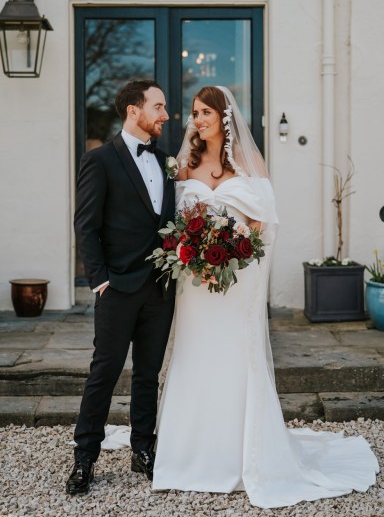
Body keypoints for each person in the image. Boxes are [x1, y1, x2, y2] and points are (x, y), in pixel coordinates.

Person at [151, 86, 378, 509]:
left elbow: (263, 225)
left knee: (236, 357)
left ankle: (241, 456)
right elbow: (174, 223)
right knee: (194, 354)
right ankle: (187, 457)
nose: (197, 120)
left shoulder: (250, 164)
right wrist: (191, 253)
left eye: (205, 112)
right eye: (195, 113)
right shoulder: (184, 166)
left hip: (237, 284)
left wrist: (235, 253)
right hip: (194, 287)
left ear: (224, 117)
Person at [66, 80, 176, 495]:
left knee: (148, 374)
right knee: (104, 373)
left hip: (160, 288)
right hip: (117, 288)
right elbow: (87, 225)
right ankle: (84, 458)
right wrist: (100, 281)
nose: (166, 115)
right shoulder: (100, 159)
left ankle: (143, 449)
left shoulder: (166, 161)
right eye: (159, 106)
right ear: (134, 110)